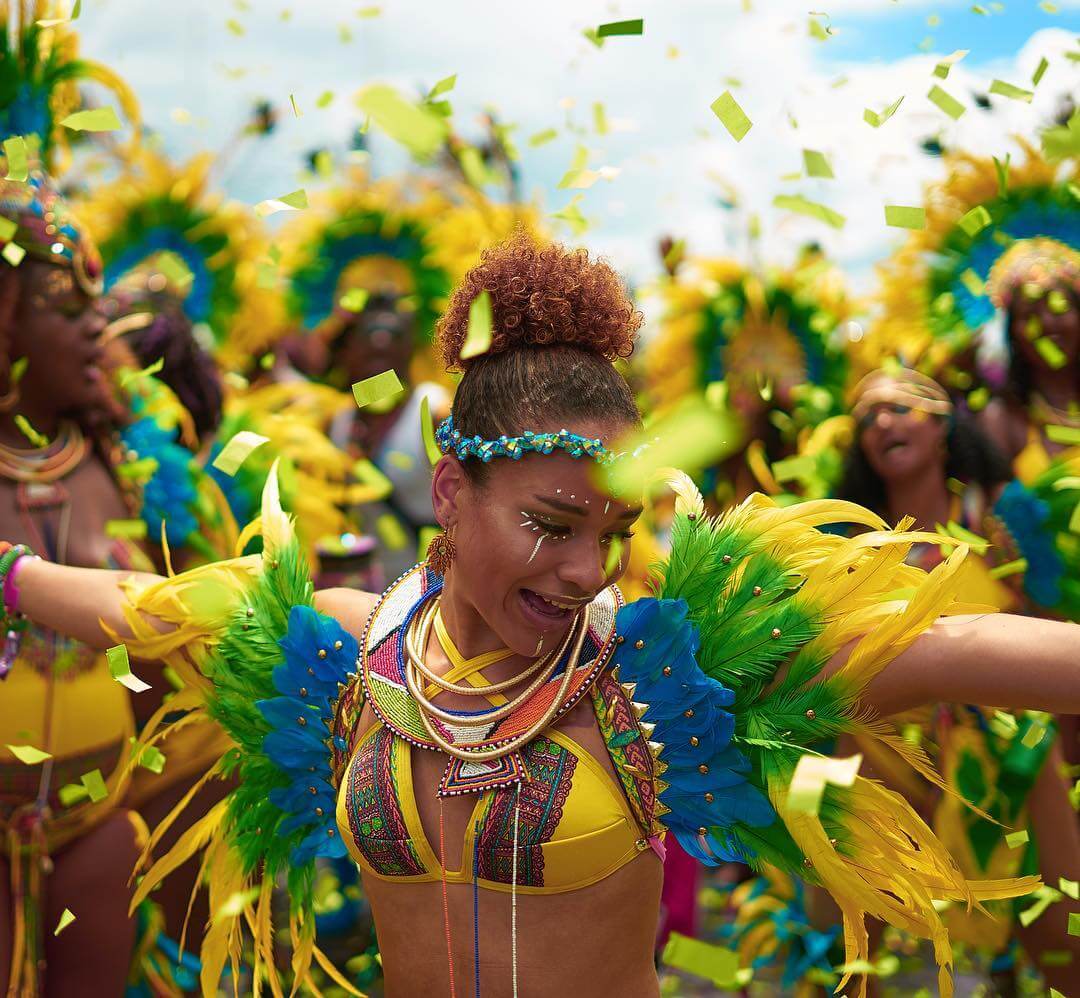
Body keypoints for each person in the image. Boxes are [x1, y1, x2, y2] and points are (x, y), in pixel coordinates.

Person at [7, 235, 1080, 998]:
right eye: (550, 523)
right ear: (449, 493)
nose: (583, 569)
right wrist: (10, 568)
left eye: (610, 532)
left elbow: (950, 648)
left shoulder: (661, 679)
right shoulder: (350, 646)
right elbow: (141, 607)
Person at [836, 368, 1080, 990]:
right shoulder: (848, 541)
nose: (881, 424)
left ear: (944, 426)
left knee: (1061, 934)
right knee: (854, 950)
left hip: (1010, 752)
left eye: (899, 408)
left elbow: (1055, 625)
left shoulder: (1006, 516)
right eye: (865, 418)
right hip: (888, 756)